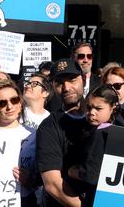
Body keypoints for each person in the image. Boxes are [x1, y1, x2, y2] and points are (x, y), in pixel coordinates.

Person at [0, 80, 40, 206]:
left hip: (25, 201)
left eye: (14, 100)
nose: (10, 106)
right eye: (1, 103)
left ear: (21, 102)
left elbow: (45, 176)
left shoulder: (36, 136)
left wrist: (31, 180)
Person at [36, 59, 89, 207]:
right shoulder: (48, 127)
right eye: (59, 83)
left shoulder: (105, 115)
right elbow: (52, 184)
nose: (66, 87)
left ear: (83, 80)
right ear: (53, 86)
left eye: (72, 80)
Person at [67, 85, 120, 205]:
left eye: (98, 108)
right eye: (89, 107)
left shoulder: (99, 134)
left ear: (113, 108)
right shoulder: (119, 129)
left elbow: (90, 175)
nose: (91, 112)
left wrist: (72, 171)